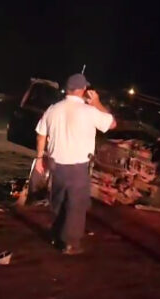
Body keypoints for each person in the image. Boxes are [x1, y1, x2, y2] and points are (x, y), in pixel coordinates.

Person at [34, 73, 116, 255]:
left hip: (57, 165)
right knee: (76, 205)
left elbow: (41, 134)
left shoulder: (53, 109)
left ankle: (56, 235)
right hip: (78, 166)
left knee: (58, 201)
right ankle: (70, 243)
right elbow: (112, 124)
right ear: (83, 90)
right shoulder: (89, 111)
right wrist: (97, 103)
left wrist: (39, 158)